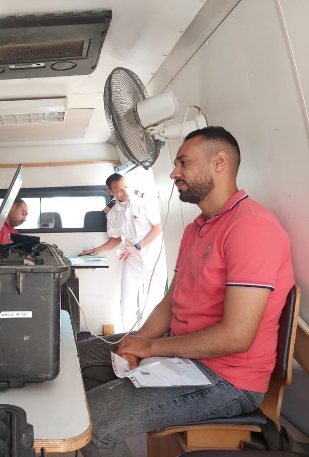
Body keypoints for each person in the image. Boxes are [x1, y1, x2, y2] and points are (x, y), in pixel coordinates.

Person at [78, 126, 294, 457]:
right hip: (184, 356)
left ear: (219, 162)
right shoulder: (196, 228)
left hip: (226, 378)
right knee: (79, 358)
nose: (173, 173)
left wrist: (151, 347)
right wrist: (137, 343)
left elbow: (236, 336)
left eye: (183, 162)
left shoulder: (251, 227)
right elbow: (170, 302)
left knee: (92, 424)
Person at [79, 173, 167, 332]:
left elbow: (158, 227)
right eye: (119, 190)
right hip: (132, 258)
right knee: (126, 301)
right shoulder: (112, 212)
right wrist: (97, 250)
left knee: (155, 299)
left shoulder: (142, 202)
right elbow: (116, 239)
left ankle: (154, 336)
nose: (125, 192)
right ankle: (129, 336)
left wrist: (137, 247)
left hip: (153, 255)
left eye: (125, 186)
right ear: (110, 192)